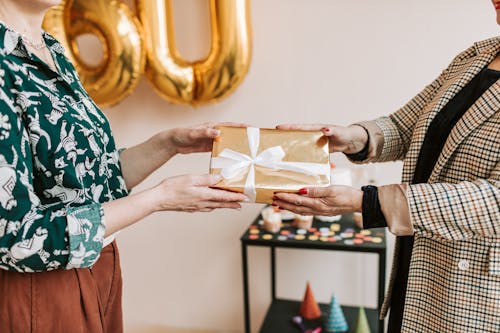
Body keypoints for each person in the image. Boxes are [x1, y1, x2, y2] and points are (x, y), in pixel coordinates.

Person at [0, 1, 248, 332]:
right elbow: (16, 238)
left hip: (98, 268)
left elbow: (88, 182)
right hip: (41, 292)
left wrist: (167, 145)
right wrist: (158, 199)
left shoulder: (50, 49)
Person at [273, 2, 500, 332]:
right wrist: (351, 138)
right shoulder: (476, 55)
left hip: (472, 289)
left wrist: (367, 202)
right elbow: (406, 125)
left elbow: (494, 203)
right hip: (419, 258)